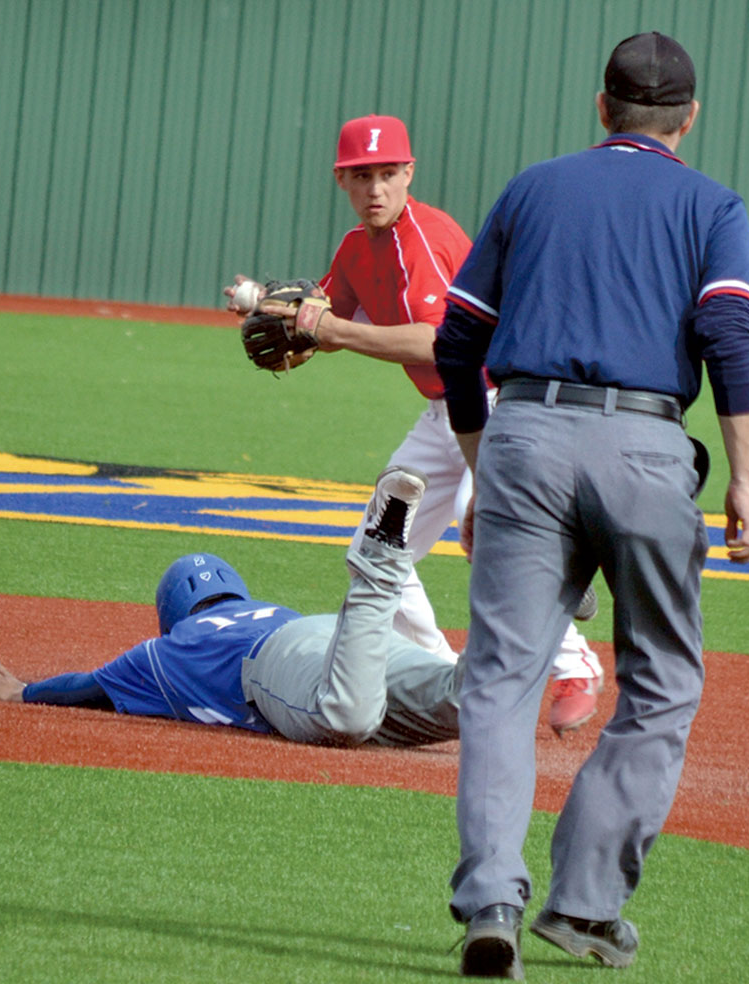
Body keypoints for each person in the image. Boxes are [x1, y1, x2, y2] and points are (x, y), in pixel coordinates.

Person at [433, 33, 749, 978]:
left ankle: (491, 903)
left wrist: (479, 465)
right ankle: (583, 907)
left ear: (602, 107)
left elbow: (458, 343)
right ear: (689, 119)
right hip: (645, 445)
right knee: (662, 679)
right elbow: (728, 335)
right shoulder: (712, 205)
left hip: (527, 438)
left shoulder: (536, 187)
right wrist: (743, 481)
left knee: (502, 681)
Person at [225, 114, 604, 735]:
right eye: (362, 176)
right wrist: (283, 327)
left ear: (408, 174)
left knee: (490, 529)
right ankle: (442, 669)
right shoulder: (355, 250)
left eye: (387, 174)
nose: (376, 188)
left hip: (500, 400)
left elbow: (436, 344)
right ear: (341, 181)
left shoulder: (424, 237)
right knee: (376, 549)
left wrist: (328, 329)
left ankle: (573, 663)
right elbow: (319, 326)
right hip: (445, 414)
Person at [0, 466, 464, 749]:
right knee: (473, 702)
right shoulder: (265, 607)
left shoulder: (168, 650)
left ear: (173, 612)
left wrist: (24, 693)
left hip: (284, 659)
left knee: (345, 719)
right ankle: (521, 595)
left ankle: (380, 556)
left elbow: (88, 687)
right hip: (330, 636)